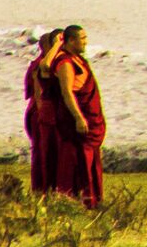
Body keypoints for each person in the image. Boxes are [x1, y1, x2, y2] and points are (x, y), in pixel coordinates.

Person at [44, 24, 106, 209]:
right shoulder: (65, 63)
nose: (86, 42)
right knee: (81, 161)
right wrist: (79, 117)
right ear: (71, 41)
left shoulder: (78, 60)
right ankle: (82, 200)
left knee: (91, 159)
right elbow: (67, 92)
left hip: (91, 117)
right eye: (83, 38)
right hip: (78, 120)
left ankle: (94, 200)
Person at [22, 30, 60, 195]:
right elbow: (38, 93)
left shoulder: (48, 62)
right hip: (41, 113)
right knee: (43, 153)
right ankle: (43, 189)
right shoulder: (41, 64)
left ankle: (43, 189)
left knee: (42, 152)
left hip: (39, 112)